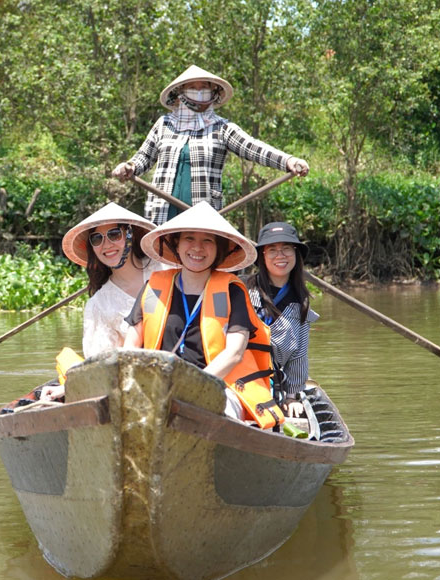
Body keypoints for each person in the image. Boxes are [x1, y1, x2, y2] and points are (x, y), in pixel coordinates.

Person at [123, 201, 283, 428]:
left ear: (219, 249)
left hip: (218, 386)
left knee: (202, 412)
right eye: (189, 238)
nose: (197, 248)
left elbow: (235, 353)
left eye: (207, 240)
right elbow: (131, 346)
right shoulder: (154, 286)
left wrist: (193, 386)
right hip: (158, 384)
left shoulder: (232, 290)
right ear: (176, 244)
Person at [111, 64, 310, 225]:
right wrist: (129, 167)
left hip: (202, 216)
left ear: (213, 92)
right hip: (162, 213)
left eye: (203, 88)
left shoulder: (221, 128)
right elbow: (143, 157)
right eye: (192, 88)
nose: (198, 93)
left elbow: (253, 148)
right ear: (180, 92)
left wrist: (288, 160)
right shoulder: (164, 124)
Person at [62, 202, 159, 358]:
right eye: (97, 239)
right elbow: (100, 362)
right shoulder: (99, 305)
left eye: (114, 234)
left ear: (130, 235)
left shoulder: (164, 269)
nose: (106, 245)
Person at [244, 222, 318, 418]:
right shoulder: (242, 289)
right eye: (272, 250)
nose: (280, 256)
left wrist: (291, 397)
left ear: (296, 255)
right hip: (240, 380)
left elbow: (299, 355)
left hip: (272, 385)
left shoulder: (300, 301)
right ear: (262, 256)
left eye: (286, 249)